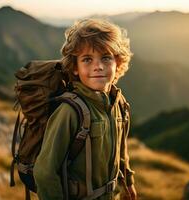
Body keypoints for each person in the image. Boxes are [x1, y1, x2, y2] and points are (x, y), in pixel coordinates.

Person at [33, 18, 137, 200]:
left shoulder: (117, 103)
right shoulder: (70, 111)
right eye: (87, 59)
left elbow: (121, 150)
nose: (98, 66)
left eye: (106, 57)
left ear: (117, 62)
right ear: (75, 67)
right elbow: (44, 171)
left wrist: (128, 183)